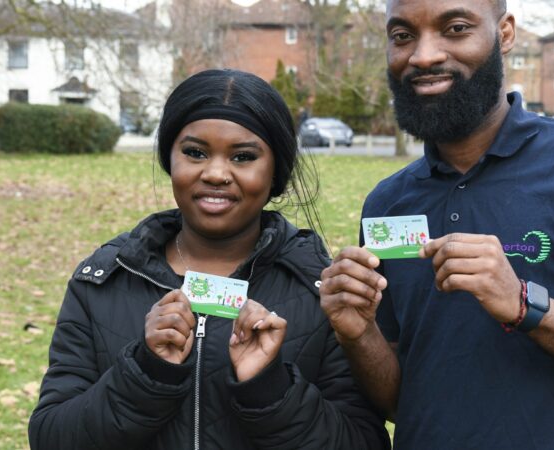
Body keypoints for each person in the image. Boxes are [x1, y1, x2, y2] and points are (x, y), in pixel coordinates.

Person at [319, 0, 554, 448]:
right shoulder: (387, 203)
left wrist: (524, 305)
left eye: (455, 28)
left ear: (506, 34)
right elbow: (404, 401)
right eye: (402, 36)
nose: (423, 55)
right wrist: (360, 334)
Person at [29, 69, 390, 450]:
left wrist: (270, 388)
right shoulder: (104, 281)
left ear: (275, 173)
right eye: (195, 153)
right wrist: (145, 373)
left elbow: (364, 442)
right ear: (170, 159)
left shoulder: (323, 293)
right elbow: (51, 436)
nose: (216, 173)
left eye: (243, 156)